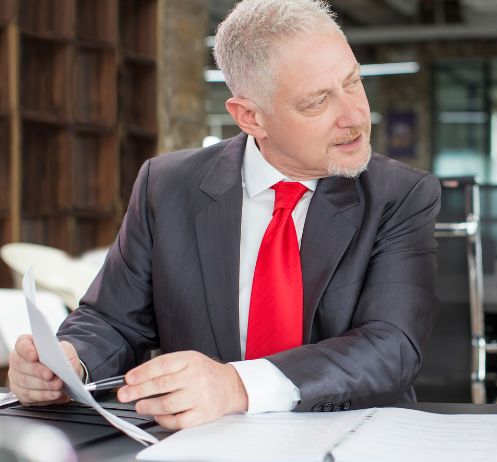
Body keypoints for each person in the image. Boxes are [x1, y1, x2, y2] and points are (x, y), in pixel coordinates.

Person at [8, 0, 439, 430]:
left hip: (351, 437)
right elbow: (113, 320)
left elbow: (391, 346)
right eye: (317, 102)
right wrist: (68, 364)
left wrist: (237, 385)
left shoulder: (399, 194)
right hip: (203, 445)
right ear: (250, 117)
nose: (355, 114)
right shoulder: (167, 185)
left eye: (353, 82)